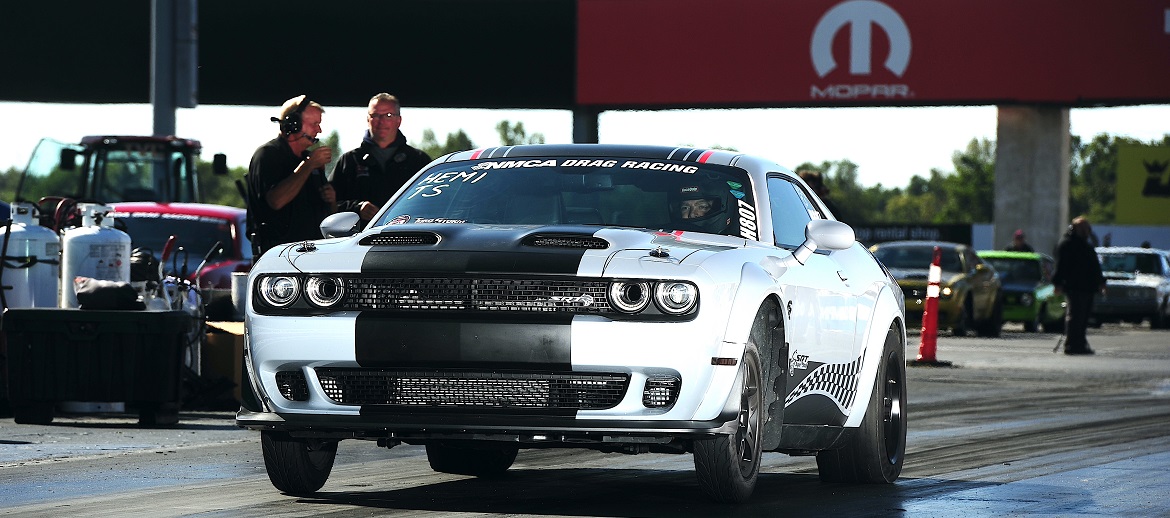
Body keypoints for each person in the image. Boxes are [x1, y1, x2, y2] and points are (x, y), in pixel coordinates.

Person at [246, 95, 336, 255]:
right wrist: (308, 166)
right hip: (278, 257)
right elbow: (276, 201)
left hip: (311, 253)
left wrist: (332, 200)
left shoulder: (309, 160)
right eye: (315, 124)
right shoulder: (267, 155)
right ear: (293, 125)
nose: (319, 130)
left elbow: (328, 215)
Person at [331, 93, 432, 226]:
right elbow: (329, 206)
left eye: (388, 115)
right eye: (375, 115)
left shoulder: (419, 161)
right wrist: (356, 208)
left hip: (409, 238)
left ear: (399, 120)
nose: (381, 121)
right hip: (361, 240)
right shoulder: (350, 161)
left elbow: (435, 203)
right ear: (368, 119)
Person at [1051, 216, 1106, 355]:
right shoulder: (1066, 244)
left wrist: (1101, 282)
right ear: (1075, 228)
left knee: (1083, 318)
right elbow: (1060, 266)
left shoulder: (1086, 245)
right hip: (1074, 287)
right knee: (1075, 317)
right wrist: (1057, 283)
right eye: (1084, 228)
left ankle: (1080, 343)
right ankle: (1072, 344)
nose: (1086, 231)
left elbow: (1095, 267)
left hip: (1088, 287)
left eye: (1087, 228)